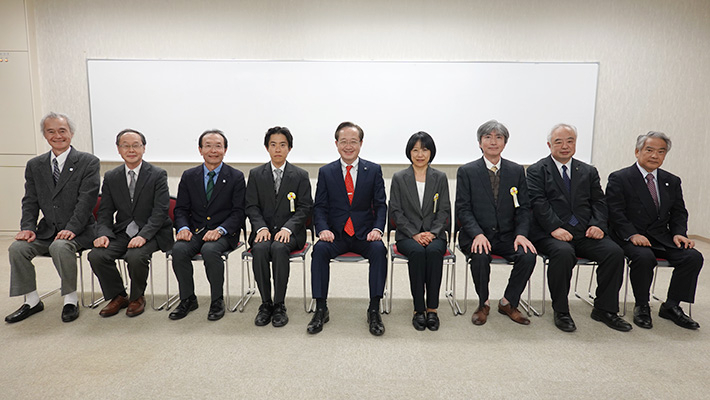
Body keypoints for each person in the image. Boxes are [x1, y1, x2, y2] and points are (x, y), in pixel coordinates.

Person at [527, 123, 632, 332]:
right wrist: (554, 227)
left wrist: (598, 224)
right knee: (563, 254)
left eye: (570, 141)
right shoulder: (537, 170)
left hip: (585, 232)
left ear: (575, 144)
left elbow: (599, 202)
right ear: (549, 144)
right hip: (551, 233)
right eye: (559, 142)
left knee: (614, 252)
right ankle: (561, 310)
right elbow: (538, 203)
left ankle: (605, 308)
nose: (565, 146)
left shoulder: (588, 171)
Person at [5, 112, 100, 323]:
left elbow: (86, 202)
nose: (57, 136)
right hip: (47, 230)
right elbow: (29, 200)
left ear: (71, 133)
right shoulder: (35, 165)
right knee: (17, 249)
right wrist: (28, 227)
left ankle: (69, 299)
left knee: (60, 246)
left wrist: (72, 229)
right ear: (45, 135)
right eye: (51, 131)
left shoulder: (88, 162)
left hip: (81, 230)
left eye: (62, 131)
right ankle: (31, 301)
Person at [606, 131, 703, 330]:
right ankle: (642, 305)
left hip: (662, 237)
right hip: (630, 236)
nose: (654, 156)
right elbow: (615, 212)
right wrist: (632, 234)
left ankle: (672, 305)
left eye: (661, 152)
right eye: (649, 150)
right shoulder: (621, 177)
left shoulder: (672, 180)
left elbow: (679, 212)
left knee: (693, 257)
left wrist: (679, 233)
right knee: (644, 257)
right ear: (637, 151)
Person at [308, 122, 388, 336]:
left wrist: (378, 230)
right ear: (336, 144)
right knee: (319, 251)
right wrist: (323, 229)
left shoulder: (373, 170)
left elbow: (381, 204)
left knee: (380, 251)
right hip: (336, 234)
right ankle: (321, 307)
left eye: (353, 141)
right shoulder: (326, 172)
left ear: (361, 143)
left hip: (365, 234)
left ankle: (374, 308)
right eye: (343, 141)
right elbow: (320, 206)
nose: (348, 146)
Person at [455, 120, 537, 326]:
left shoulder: (517, 171)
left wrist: (521, 234)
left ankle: (508, 302)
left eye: (498, 137)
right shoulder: (467, 171)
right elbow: (463, 209)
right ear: (480, 142)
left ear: (505, 143)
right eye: (488, 137)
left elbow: (524, 208)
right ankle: (483, 303)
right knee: (481, 255)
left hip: (508, 235)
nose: (493, 141)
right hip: (477, 234)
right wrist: (477, 234)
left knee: (528, 255)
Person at [88, 129, 173, 318]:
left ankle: (137, 297)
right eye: (125, 145)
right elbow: (105, 211)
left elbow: (160, 211)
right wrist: (102, 233)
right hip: (123, 231)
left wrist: (143, 236)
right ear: (118, 149)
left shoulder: (158, 174)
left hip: (153, 231)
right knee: (97, 255)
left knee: (135, 256)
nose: (131, 149)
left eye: (136, 145)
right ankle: (118, 296)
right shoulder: (111, 177)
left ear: (143, 148)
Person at [169, 129, 246, 321]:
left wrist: (220, 230)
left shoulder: (236, 176)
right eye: (208, 146)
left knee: (210, 251)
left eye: (218, 146)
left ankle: (216, 300)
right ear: (200, 149)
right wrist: (183, 228)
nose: (213, 150)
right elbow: (180, 209)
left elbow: (239, 212)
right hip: (195, 230)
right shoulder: (189, 176)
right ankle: (188, 298)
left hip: (224, 232)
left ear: (225, 150)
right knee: (178, 250)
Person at [245, 126, 313, 327]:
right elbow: (251, 205)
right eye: (273, 145)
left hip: (290, 233)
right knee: (259, 248)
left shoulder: (300, 175)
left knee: (279, 247)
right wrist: (260, 228)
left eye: (282, 145)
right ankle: (266, 303)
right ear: (267, 148)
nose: (277, 149)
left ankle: (279, 304)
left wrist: (288, 228)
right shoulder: (256, 174)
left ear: (289, 148)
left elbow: (305, 207)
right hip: (264, 230)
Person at [389, 132, 450, 331]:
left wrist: (432, 233)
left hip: (435, 234)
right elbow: (396, 211)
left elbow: (444, 210)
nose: (420, 154)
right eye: (415, 150)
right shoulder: (399, 178)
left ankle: (432, 309)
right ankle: (418, 309)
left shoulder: (440, 177)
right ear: (409, 153)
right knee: (416, 252)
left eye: (424, 149)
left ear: (431, 152)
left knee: (433, 252)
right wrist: (415, 234)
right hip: (408, 235)